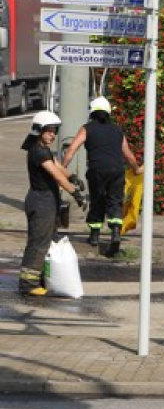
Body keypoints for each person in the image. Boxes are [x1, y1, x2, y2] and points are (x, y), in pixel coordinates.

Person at [61, 97, 142, 255]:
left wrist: (61, 168)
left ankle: (94, 236)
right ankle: (115, 234)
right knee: (115, 201)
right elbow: (128, 154)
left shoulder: (87, 128)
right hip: (116, 170)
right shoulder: (117, 130)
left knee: (97, 200)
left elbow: (72, 149)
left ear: (92, 112)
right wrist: (137, 169)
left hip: (96, 170)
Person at [19, 111, 86, 296]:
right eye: (48, 131)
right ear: (38, 131)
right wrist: (75, 193)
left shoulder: (43, 148)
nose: (53, 135)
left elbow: (58, 166)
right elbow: (55, 174)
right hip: (40, 201)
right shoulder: (37, 151)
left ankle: (39, 278)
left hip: (46, 200)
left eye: (54, 131)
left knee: (47, 240)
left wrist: (71, 176)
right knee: (39, 242)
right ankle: (28, 284)